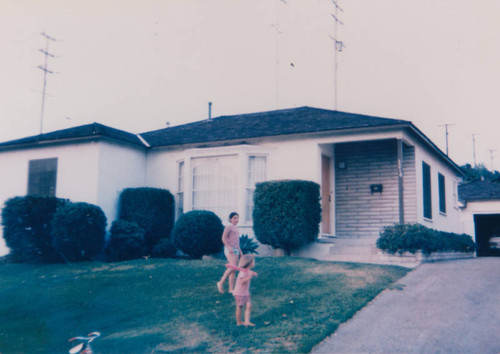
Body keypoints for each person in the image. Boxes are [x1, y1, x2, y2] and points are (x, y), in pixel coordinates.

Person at [217, 212, 242, 294]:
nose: (236, 220)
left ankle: (231, 289)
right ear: (230, 219)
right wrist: (229, 247)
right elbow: (223, 238)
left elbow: (237, 242)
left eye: (237, 218)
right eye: (234, 218)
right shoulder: (228, 227)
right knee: (233, 266)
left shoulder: (236, 228)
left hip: (236, 250)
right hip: (229, 249)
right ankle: (221, 282)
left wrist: (241, 252)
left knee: (234, 270)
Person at [232, 254, 257, 326]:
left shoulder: (247, 271)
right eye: (253, 261)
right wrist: (250, 276)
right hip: (239, 293)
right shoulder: (243, 272)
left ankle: (247, 321)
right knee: (239, 307)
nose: (254, 263)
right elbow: (243, 282)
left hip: (245, 293)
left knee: (249, 305)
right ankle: (239, 322)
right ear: (249, 263)